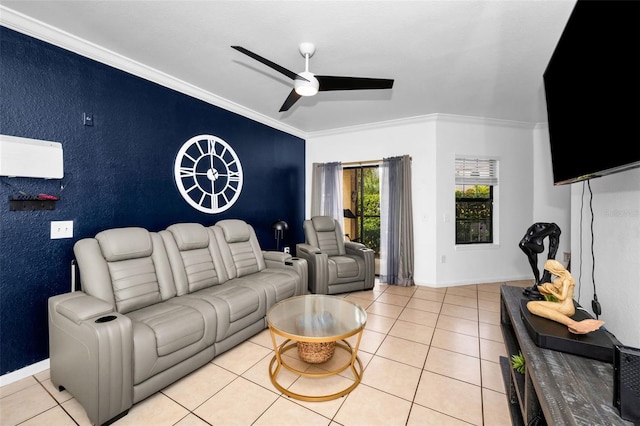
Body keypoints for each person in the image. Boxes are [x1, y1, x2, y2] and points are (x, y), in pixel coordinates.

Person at [526, 259, 604, 334]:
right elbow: (558, 291)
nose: (549, 272)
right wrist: (547, 288)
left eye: (550, 270)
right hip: (561, 304)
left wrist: (551, 291)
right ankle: (568, 321)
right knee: (531, 304)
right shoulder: (559, 278)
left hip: (566, 307)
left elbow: (562, 297)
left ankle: (572, 323)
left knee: (531, 305)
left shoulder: (566, 280)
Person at [519, 222, 561, 298]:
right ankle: (538, 281)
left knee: (551, 256)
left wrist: (538, 237)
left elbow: (553, 228)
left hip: (549, 234)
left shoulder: (552, 227)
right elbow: (525, 239)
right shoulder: (533, 229)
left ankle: (546, 279)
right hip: (535, 239)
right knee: (531, 257)